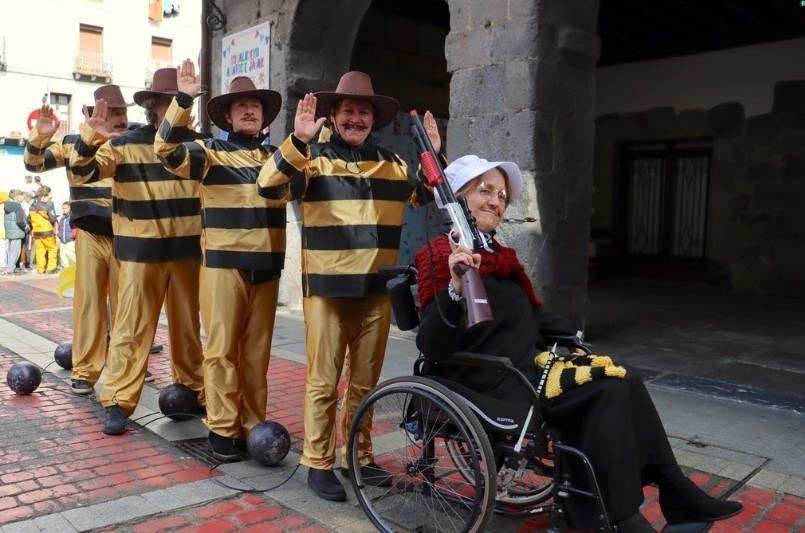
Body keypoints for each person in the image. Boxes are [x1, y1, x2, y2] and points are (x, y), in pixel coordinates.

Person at [414, 155, 744, 532]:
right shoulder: (440, 255)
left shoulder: (499, 256)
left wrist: (575, 338)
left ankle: (673, 488)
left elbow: (532, 316)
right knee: (604, 394)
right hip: (489, 381)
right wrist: (456, 287)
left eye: (502, 195)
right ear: (458, 199)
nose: (496, 201)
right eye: (484, 190)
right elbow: (432, 343)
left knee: (626, 377)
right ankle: (616, 517)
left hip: (527, 368)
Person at [256, 71, 439, 501]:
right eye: (348, 111)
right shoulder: (312, 162)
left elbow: (430, 193)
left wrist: (433, 154)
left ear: (373, 120)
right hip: (327, 292)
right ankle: (318, 462)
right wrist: (298, 141)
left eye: (363, 112)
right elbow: (267, 186)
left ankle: (359, 456)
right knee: (323, 381)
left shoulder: (394, 165)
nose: (355, 118)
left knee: (364, 385)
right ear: (333, 116)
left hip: (377, 293)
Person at [155, 60, 285, 461]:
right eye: (241, 106)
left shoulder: (279, 156)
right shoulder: (210, 151)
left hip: (267, 267)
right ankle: (222, 428)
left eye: (256, 106)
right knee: (221, 350)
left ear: (264, 116)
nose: (249, 111)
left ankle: (252, 426)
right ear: (227, 115)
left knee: (256, 353)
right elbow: (165, 150)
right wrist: (182, 100)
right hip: (223, 265)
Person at [71, 67, 206, 435]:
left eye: (182, 101)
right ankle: (116, 400)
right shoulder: (124, 144)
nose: (176, 107)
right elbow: (82, 174)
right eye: (169, 101)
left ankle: (195, 390)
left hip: (186, 255)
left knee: (188, 330)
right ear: (154, 107)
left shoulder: (199, 145)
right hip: (138, 256)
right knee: (130, 329)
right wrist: (90, 139)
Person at [24, 84, 152, 395]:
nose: (119, 118)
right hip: (92, 234)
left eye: (122, 111)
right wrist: (40, 135)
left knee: (129, 305)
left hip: (130, 233)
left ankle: (129, 366)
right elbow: (33, 164)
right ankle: (85, 369)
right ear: (94, 113)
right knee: (89, 303)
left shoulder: (134, 143)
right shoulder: (72, 143)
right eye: (111, 112)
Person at [28, 187, 58, 274]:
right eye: (47, 196)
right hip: (47, 231)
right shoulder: (47, 206)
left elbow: (28, 219)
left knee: (40, 251)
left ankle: (40, 269)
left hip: (37, 232)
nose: (48, 198)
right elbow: (52, 218)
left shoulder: (31, 208)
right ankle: (51, 268)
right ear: (43, 197)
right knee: (52, 249)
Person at [3, 190, 29, 278]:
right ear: (17, 196)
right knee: (15, 252)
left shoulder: (7, 205)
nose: (23, 198)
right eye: (22, 196)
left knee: (11, 251)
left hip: (10, 232)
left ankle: (9, 269)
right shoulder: (18, 207)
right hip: (17, 232)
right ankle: (10, 272)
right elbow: (19, 221)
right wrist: (25, 227)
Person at [56, 202, 76, 269]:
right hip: (62, 240)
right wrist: (59, 234)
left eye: (66, 208)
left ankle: (79, 265)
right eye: (63, 208)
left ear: (70, 208)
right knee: (62, 256)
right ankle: (66, 268)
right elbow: (58, 227)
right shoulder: (61, 218)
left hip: (70, 240)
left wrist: (72, 235)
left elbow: (76, 228)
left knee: (70, 253)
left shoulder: (72, 217)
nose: (64, 210)